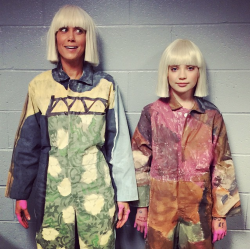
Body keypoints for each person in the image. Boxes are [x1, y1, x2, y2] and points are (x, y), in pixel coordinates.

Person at [5, 5, 138, 249]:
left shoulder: (105, 86)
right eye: (63, 29)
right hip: (52, 192)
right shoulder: (39, 86)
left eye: (79, 30)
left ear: (88, 38)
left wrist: (125, 196)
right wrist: (21, 194)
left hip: (97, 190)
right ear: (54, 37)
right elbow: (27, 144)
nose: (71, 37)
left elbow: (118, 144)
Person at [132, 39, 241, 249]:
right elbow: (139, 162)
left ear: (198, 73)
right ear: (166, 73)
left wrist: (220, 215)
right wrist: (142, 207)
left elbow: (222, 165)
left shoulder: (211, 116)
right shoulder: (152, 113)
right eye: (174, 68)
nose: (182, 76)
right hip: (160, 209)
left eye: (190, 68)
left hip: (198, 209)